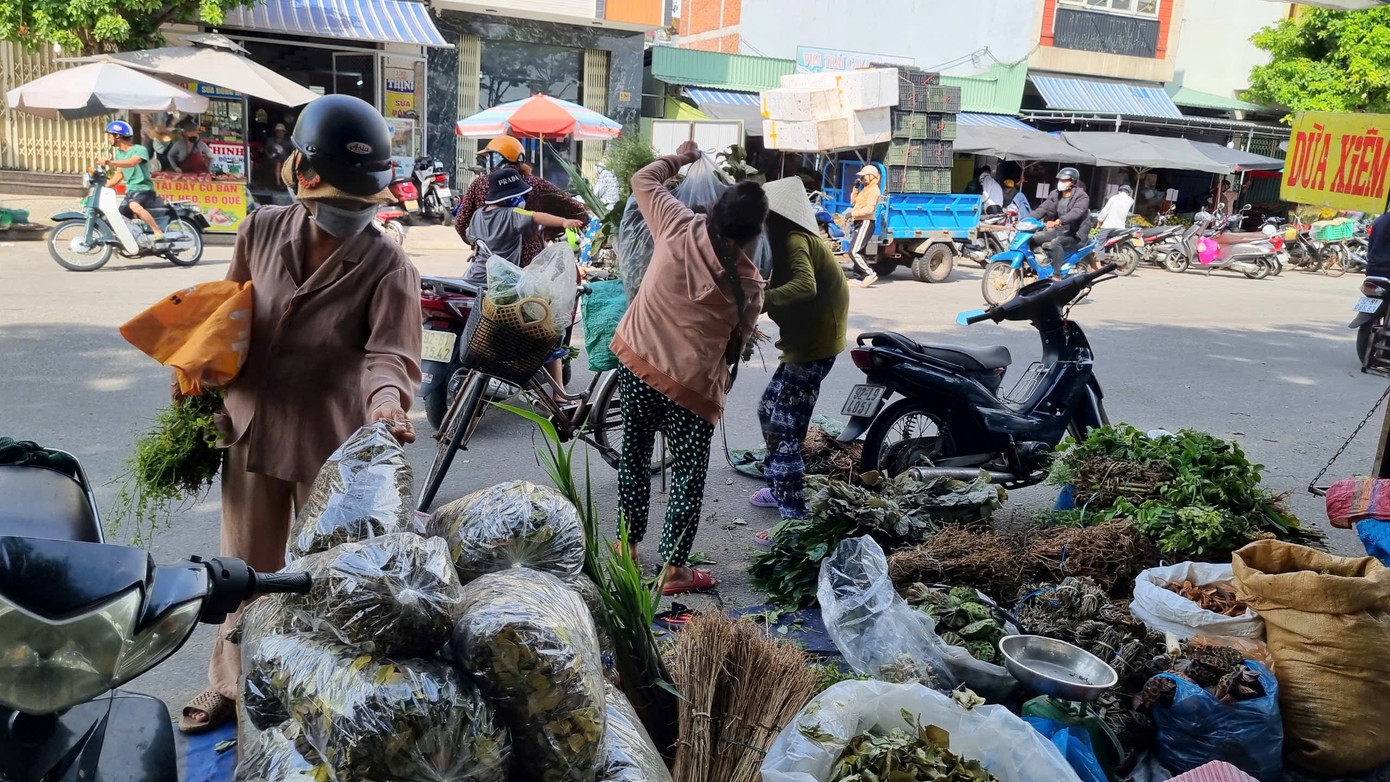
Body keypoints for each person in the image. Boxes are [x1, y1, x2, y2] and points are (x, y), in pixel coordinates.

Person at [179, 95, 422, 735]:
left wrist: (388, 404)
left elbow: (388, 353)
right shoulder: (258, 230)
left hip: (330, 443)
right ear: (301, 178)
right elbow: (227, 313)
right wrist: (198, 368)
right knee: (243, 566)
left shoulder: (389, 263)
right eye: (337, 200)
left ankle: (308, 692)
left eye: (359, 204)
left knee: (321, 580)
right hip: (252, 428)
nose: (348, 215)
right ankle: (229, 685)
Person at [611, 139, 765, 595]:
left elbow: (643, 179)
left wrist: (679, 157)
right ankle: (675, 570)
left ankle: (627, 546)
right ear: (753, 234)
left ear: (714, 209)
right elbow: (738, 341)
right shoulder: (750, 284)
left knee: (634, 459)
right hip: (692, 390)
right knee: (688, 474)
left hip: (638, 364)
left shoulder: (676, 224)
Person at [748, 177, 849, 541]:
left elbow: (805, 286)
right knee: (770, 411)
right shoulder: (783, 240)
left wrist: (762, 299)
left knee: (782, 424)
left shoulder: (792, 240)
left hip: (814, 345)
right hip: (808, 342)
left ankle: (794, 517)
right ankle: (780, 486)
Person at [465, 166, 585, 399]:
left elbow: (471, 237)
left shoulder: (478, 214)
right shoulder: (511, 215)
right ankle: (559, 394)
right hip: (501, 283)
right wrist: (564, 222)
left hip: (473, 278)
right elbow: (537, 217)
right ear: (509, 197)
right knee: (547, 330)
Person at [455, 135, 586, 267]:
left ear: (498, 159)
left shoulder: (479, 184)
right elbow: (575, 210)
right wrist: (547, 233)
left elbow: (461, 222)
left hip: (489, 262)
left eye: (489, 157)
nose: (487, 162)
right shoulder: (537, 184)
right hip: (530, 264)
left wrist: (476, 244)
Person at [95, 120, 164, 240]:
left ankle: (157, 231)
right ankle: (134, 239)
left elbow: (132, 163)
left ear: (118, 136)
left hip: (144, 189)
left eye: (110, 136)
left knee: (134, 206)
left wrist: (110, 162)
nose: (109, 139)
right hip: (131, 191)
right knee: (118, 218)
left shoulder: (139, 149)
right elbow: (119, 175)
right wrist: (102, 187)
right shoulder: (119, 154)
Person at [1029, 167, 1091, 280]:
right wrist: (1024, 220)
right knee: (1032, 238)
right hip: (1058, 230)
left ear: (1072, 182)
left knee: (1056, 243)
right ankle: (1044, 262)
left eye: (1063, 181)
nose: (1060, 183)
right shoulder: (1055, 194)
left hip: (1074, 234)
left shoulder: (1082, 196)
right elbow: (1042, 209)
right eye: (1059, 180)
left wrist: (1059, 221)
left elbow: (1076, 212)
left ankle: (1056, 275)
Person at [847, 166, 882, 287]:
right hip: (859, 221)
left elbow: (869, 209)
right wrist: (855, 188)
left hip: (866, 222)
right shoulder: (865, 189)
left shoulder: (874, 190)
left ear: (872, 177)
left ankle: (870, 273)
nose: (862, 178)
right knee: (859, 251)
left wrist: (852, 214)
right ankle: (858, 278)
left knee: (854, 251)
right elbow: (853, 202)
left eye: (864, 176)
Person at [1093, 184, 1134, 264]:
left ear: (1119, 191)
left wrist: (1099, 222)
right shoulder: (1130, 201)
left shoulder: (1114, 198)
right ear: (1128, 193)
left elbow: (1105, 211)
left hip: (1109, 225)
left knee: (1099, 241)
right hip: (1121, 227)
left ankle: (1098, 261)